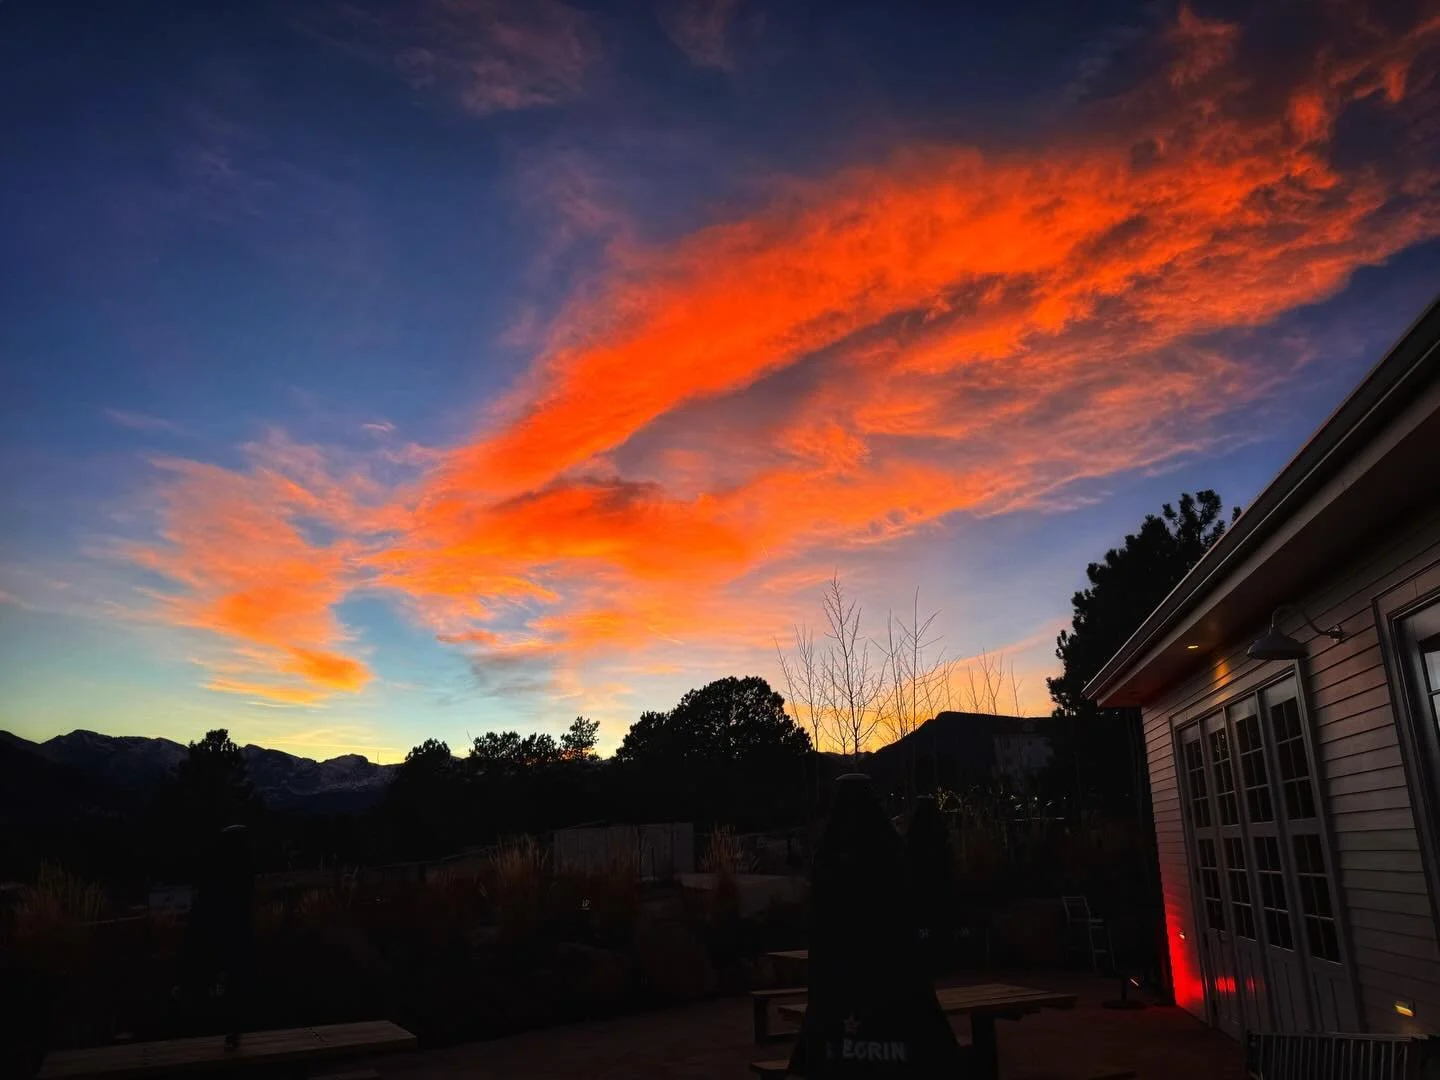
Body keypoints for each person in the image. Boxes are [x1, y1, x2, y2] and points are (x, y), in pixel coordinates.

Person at [787, 774, 970, 1078]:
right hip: (894, 993)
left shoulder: (830, 857)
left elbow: (819, 924)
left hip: (837, 993)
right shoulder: (891, 852)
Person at [177, 825, 256, 1048]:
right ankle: (231, 1030)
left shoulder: (218, 875)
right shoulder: (241, 873)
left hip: (221, 936)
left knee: (225, 983)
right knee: (234, 984)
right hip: (233, 936)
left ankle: (220, 1029)